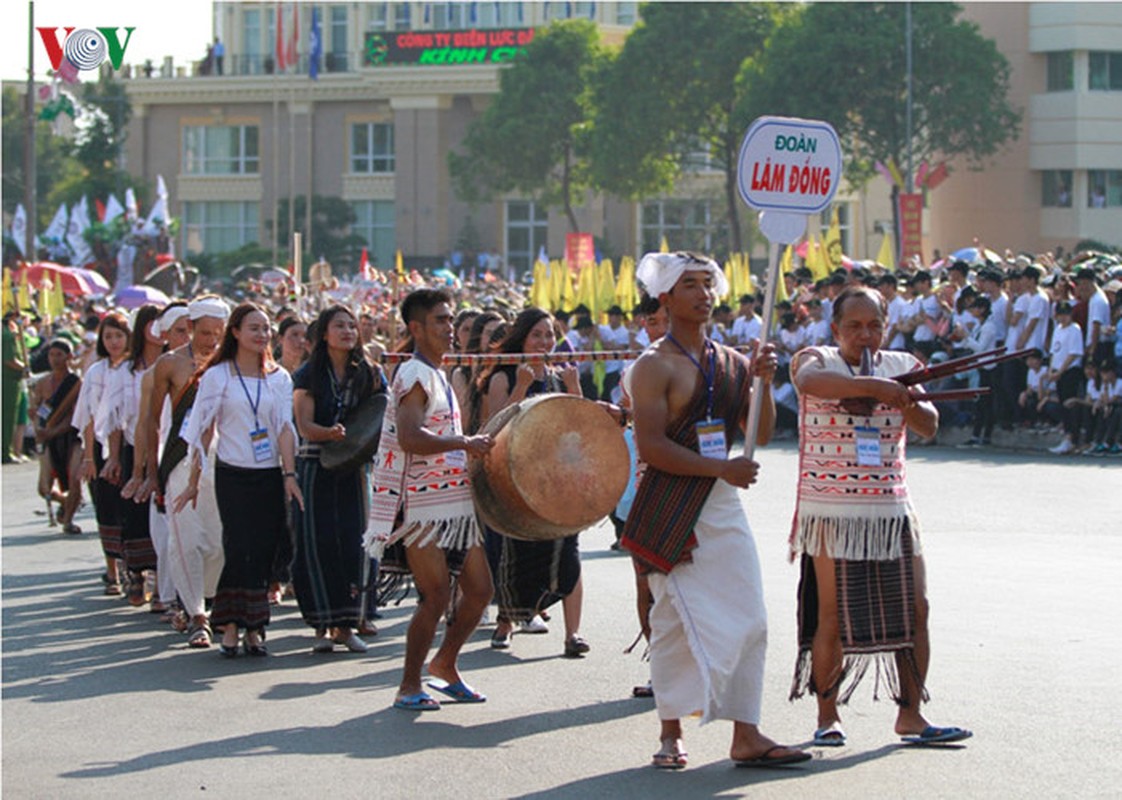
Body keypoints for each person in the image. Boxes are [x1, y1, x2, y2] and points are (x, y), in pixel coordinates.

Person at [621, 251, 807, 770]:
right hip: (672, 507)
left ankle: (745, 734)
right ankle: (670, 732)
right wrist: (720, 471)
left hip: (720, 506)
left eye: (708, 284)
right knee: (672, 619)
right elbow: (653, 447)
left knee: (751, 617)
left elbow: (759, 433)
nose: (703, 294)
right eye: (690, 285)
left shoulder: (732, 361)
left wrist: (764, 382)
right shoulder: (652, 365)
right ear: (665, 297)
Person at [788, 285, 971, 747]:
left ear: (886, 327)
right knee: (832, 616)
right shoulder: (817, 357)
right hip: (830, 508)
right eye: (854, 326)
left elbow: (929, 424)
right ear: (836, 328)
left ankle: (911, 715)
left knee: (918, 608)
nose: (865, 335)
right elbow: (808, 383)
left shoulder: (904, 367)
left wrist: (904, 400)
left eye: (874, 325)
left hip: (890, 507)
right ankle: (827, 716)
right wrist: (873, 388)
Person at [363, 288, 494, 710]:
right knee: (435, 596)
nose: (450, 328)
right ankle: (408, 685)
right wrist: (464, 441)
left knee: (479, 591)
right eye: (440, 320)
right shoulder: (414, 375)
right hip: (421, 506)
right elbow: (409, 436)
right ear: (416, 328)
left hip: (452, 502)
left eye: (450, 319)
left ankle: (446, 664)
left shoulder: (437, 373)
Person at [175, 303, 303, 658]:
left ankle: (255, 628)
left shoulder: (279, 378)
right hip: (232, 474)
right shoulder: (218, 376)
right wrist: (191, 480)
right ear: (235, 333)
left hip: (269, 474)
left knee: (263, 550)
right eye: (253, 328)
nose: (262, 335)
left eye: (265, 329)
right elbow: (201, 429)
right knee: (238, 546)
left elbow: (284, 429)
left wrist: (290, 475)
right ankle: (230, 624)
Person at [480, 308, 589, 656]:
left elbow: (581, 427)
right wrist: (522, 388)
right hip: (516, 483)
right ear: (521, 338)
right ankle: (506, 622)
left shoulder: (561, 377)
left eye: (549, 335)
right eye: (537, 335)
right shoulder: (504, 377)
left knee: (568, 554)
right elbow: (495, 428)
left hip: (559, 482)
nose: (544, 342)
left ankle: (573, 634)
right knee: (515, 553)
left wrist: (574, 389)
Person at [292, 305, 386, 654]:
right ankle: (321, 623)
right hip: (316, 466)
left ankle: (347, 625)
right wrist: (328, 434)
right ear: (324, 333)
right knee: (317, 544)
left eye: (352, 325)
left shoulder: (371, 373)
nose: (347, 331)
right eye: (339, 325)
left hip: (356, 469)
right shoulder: (308, 374)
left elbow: (381, 415)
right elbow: (304, 425)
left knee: (356, 543)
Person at [149, 296, 228, 646]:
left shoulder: (232, 365)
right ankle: (197, 613)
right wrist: (147, 472)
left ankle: (206, 599)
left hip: (226, 461)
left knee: (218, 543)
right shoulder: (169, 365)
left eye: (218, 333)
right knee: (184, 537)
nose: (211, 339)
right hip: (181, 462)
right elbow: (150, 423)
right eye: (204, 332)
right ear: (191, 328)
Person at [104, 305, 165, 607]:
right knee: (135, 514)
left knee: (163, 514)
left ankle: (161, 579)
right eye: (154, 324)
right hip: (133, 449)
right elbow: (116, 421)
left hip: (167, 448)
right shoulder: (126, 371)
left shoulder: (175, 363)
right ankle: (137, 575)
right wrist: (113, 458)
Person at [73, 312, 131, 594]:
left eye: (118, 335)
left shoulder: (133, 369)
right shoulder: (96, 372)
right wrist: (88, 457)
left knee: (128, 510)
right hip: (98, 444)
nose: (113, 342)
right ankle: (112, 571)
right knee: (105, 507)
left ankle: (132, 569)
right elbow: (87, 416)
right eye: (108, 336)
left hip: (129, 442)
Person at [32, 339, 83, 533]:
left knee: (75, 479)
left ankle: (68, 521)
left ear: (69, 357)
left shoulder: (77, 383)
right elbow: (39, 410)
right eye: (51, 355)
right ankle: (66, 500)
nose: (54, 359)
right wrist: (37, 422)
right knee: (44, 488)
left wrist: (53, 430)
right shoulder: (42, 383)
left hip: (72, 436)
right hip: (48, 437)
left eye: (58, 355)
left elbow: (74, 415)